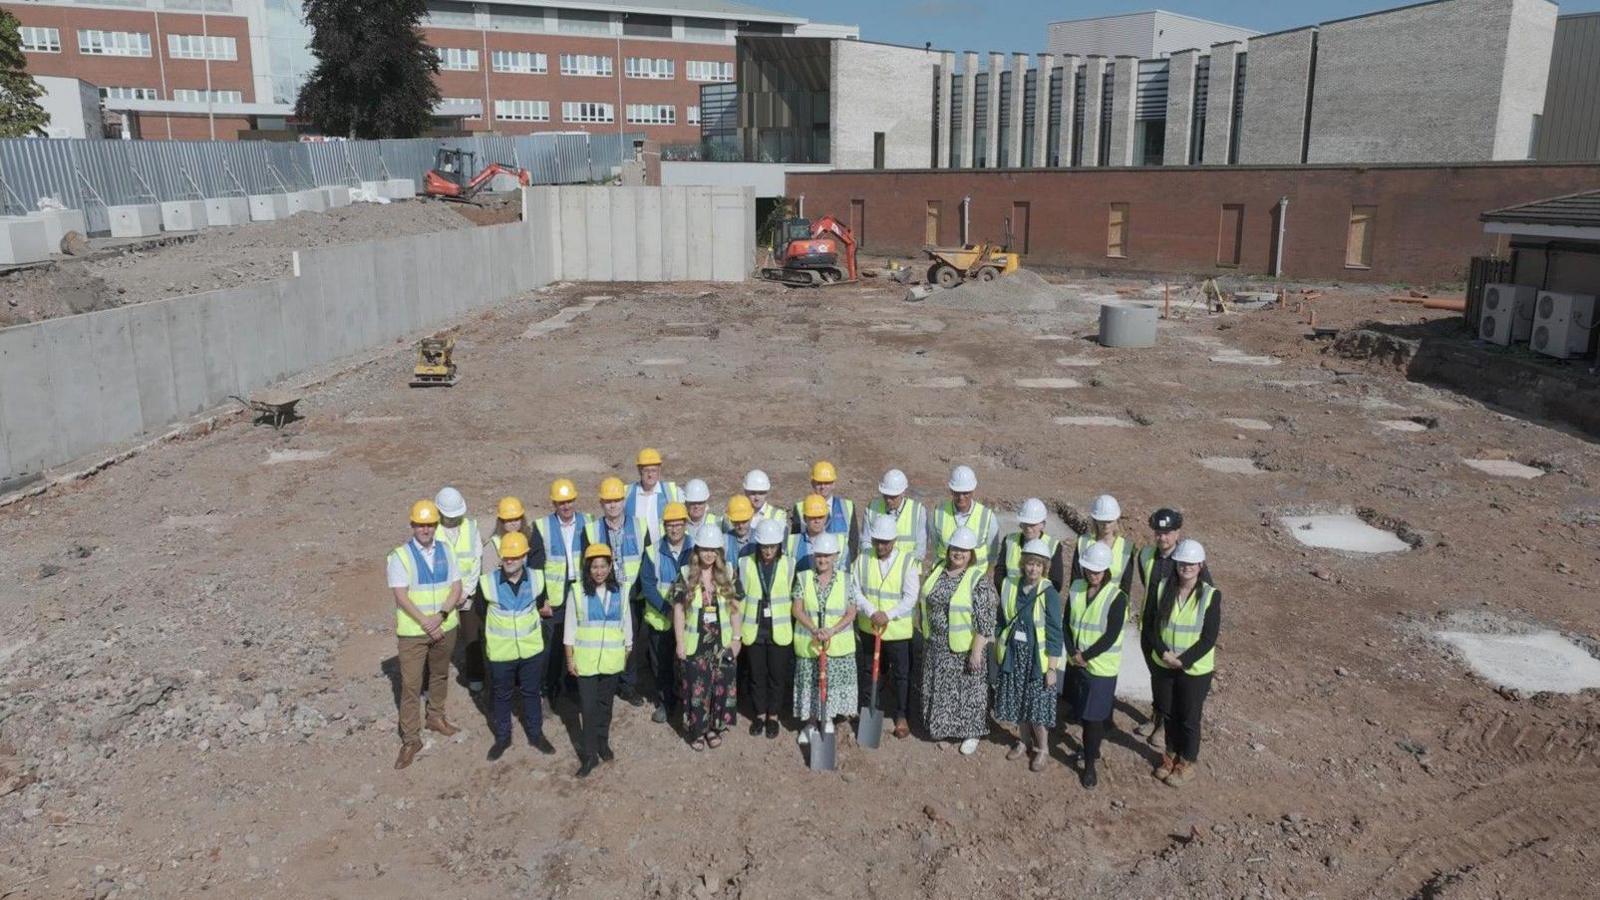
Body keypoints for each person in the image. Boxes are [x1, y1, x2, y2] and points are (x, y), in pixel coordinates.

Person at [386, 500, 463, 770]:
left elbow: (456, 586)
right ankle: (410, 739)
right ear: (413, 525)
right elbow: (400, 595)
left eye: (430, 524)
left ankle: (436, 717)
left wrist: (441, 616)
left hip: (444, 625)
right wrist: (425, 622)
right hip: (414, 632)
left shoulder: (446, 550)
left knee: (440, 675)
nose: (426, 529)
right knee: (410, 686)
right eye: (421, 524)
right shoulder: (401, 556)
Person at [1134, 507, 1211, 745]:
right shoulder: (1145, 555)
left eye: (1167, 532)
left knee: (1170, 680)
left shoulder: (1187, 559)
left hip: (1172, 633)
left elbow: (1204, 594)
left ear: (1177, 532)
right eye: (1158, 532)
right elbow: (1147, 584)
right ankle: (1157, 716)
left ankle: (1166, 726)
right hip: (1149, 629)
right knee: (1156, 676)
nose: (1162, 537)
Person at [917, 526, 997, 755]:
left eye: (964, 550)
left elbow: (985, 621)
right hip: (937, 645)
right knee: (942, 691)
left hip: (963, 649)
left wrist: (976, 652)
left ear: (971, 553)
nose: (958, 553)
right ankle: (945, 728)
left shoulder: (977, 580)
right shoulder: (937, 569)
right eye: (955, 548)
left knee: (968, 692)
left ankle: (971, 732)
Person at [1149, 539, 1220, 788]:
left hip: (1194, 670)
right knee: (1168, 713)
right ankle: (1169, 755)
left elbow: (1208, 637)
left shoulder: (1210, 595)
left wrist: (1182, 661)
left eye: (1191, 563)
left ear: (1200, 566)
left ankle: (1187, 762)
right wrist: (1165, 654)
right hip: (1165, 663)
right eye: (1182, 563)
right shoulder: (1161, 589)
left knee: (1189, 717)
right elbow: (1151, 627)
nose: (1186, 567)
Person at [479, 532, 556, 760]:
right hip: (502, 653)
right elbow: (481, 612)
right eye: (506, 557)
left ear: (524, 556)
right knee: (502, 696)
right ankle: (503, 738)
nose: (509, 561)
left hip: (531, 650)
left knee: (532, 693)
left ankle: (535, 734)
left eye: (514, 556)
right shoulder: (487, 583)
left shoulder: (537, 579)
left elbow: (541, 605)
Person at [993, 539, 1064, 773]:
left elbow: (1055, 632)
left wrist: (1052, 668)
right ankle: (1023, 741)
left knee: (1037, 709)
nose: (1033, 569)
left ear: (1045, 567)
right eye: (1030, 564)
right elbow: (1002, 619)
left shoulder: (1048, 593)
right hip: (1015, 656)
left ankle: (1043, 749)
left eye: (1038, 565)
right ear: (1023, 564)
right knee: (1018, 704)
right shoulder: (1010, 585)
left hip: (1037, 661)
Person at [1063, 541, 1129, 788]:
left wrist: (1085, 656)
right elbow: (1066, 622)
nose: (1093, 574)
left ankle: (1090, 765)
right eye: (1089, 570)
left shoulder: (1116, 597)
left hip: (1101, 668)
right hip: (1078, 662)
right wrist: (1072, 652)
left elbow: (1110, 635)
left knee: (1093, 719)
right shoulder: (1077, 588)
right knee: (1082, 713)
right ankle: (1092, 749)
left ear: (1106, 570)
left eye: (1097, 571)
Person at [566, 543, 633, 778]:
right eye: (594, 566)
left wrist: (626, 651)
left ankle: (603, 743)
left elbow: (627, 624)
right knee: (588, 707)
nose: (599, 571)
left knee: (606, 706)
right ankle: (589, 755)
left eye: (603, 566)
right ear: (588, 568)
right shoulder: (577, 591)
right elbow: (570, 628)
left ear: (610, 566)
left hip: (612, 659)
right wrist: (570, 659)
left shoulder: (621, 591)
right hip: (586, 661)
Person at [675, 523, 743, 750]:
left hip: (721, 643)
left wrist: (736, 638)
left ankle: (714, 728)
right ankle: (697, 731)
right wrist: (680, 643)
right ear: (697, 550)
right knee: (697, 688)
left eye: (713, 550)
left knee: (720, 686)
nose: (709, 554)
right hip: (696, 644)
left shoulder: (728, 573)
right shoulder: (686, 575)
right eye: (705, 549)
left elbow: (735, 608)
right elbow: (678, 611)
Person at [852, 515, 920, 740]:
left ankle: (901, 715)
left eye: (885, 542)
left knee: (901, 674)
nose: (880, 546)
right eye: (877, 541)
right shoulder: (862, 560)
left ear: (894, 540)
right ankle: (871, 712)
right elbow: (855, 589)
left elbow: (911, 597)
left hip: (897, 631)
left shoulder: (907, 562)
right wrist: (872, 611)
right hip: (870, 628)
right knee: (871, 672)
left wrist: (887, 615)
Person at [791, 533, 858, 748]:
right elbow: (797, 608)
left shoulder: (846, 580)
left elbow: (851, 612)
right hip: (811, 645)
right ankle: (811, 723)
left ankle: (826, 719)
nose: (822, 560)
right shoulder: (803, 578)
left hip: (835, 645)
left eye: (827, 556)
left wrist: (832, 631)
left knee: (830, 685)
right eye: (819, 556)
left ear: (835, 556)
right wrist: (813, 629)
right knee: (811, 684)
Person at [588, 476, 647, 707]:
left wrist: (637, 592)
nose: (612, 505)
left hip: (632, 595)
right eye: (607, 501)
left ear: (624, 501)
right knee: (606, 638)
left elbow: (647, 561)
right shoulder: (592, 530)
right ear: (601, 503)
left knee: (630, 642)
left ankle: (627, 685)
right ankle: (606, 680)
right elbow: (589, 565)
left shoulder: (639, 525)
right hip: (606, 593)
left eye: (616, 500)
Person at [535, 479, 590, 707]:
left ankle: (573, 685)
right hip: (555, 596)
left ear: (574, 500)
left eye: (569, 501)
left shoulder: (588, 522)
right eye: (561, 503)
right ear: (554, 504)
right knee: (553, 645)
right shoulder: (542, 526)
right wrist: (541, 598)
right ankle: (549, 689)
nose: (566, 507)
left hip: (579, 591)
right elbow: (536, 565)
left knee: (577, 640)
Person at [738, 520, 795, 738]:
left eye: (772, 546)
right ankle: (760, 714)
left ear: (779, 545)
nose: (768, 551)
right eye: (764, 546)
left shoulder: (789, 565)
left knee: (777, 676)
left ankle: (774, 716)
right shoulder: (744, 563)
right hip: (754, 628)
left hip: (779, 629)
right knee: (757, 675)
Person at [639, 502, 692, 724]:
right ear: (664, 526)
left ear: (685, 525)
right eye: (670, 525)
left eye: (678, 525)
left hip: (689, 620)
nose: (674, 529)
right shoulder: (652, 551)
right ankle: (665, 702)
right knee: (660, 664)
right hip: (660, 619)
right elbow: (648, 584)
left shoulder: (696, 548)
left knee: (687, 663)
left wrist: (683, 612)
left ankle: (688, 701)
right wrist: (668, 610)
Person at [434, 487, 485, 694]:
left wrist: (466, 592)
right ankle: (435, 681)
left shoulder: (471, 528)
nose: (453, 520)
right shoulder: (433, 531)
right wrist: (449, 598)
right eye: (448, 517)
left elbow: (476, 561)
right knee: (439, 640)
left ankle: (476, 676)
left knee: (472, 637)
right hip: (443, 597)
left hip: (467, 595)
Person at [928, 466, 1000, 577]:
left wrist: (985, 576)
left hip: (975, 578)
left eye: (965, 493)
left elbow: (993, 554)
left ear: (973, 490)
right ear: (951, 490)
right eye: (957, 492)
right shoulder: (938, 513)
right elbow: (935, 546)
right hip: (945, 576)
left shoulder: (987, 517)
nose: (961, 497)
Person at [993, 498, 1065, 591]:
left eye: (1033, 524)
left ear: (1042, 524)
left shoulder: (1053, 545)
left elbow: (1056, 582)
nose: (1028, 528)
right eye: (1025, 523)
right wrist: (1008, 596)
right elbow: (999, 574)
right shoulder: (1009, 541)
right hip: (1010, 600)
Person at [1071, 494, 1135, 596]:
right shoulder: (1083, 543)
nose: (1106, 526)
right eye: (1102, 521)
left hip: (1112, 604)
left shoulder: (1126, 548)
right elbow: (1075, 580)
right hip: (1085, 601)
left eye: (1110, 521)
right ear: (1095, 520)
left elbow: (1126, 586)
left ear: (1116, 520)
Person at [861, 468, 926, 567]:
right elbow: (865, 543)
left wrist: (896, 565)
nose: (888, 500)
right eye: (885, 495)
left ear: (903, 493)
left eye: (893, 497)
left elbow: (920, 550)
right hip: (877, 568)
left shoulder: (918, 511)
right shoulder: (871, 509)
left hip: (908, 572)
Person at [626, 447, 683, 544]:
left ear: (659, 470)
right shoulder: (626, 493)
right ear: (639, 470)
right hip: (637, 552)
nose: (650, 475)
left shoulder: (674, 492)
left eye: (653, 470)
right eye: (646, 471)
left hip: (664, 551)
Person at [793, 461, 855, 548]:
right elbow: (795, 543)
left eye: (827, 483)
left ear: (834, 484)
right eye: (819, 483)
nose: (823, 487)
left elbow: (853, 543)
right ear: (812, 483)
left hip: (841, 559)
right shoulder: (800, 508)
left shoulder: (848, 507)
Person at [789, 493, 849, 572]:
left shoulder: (840, 541)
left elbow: (845, 574)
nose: (817, 521)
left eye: (820, 517)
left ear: (826, 517)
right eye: (812, 517)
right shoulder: (791, 542)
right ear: (804, 518)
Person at [723, 495, 757, 562]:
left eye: (744, 521)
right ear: (731, 521)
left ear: (751, 518)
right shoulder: (724, 540)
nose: (740, 526)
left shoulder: (759, 538)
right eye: (736, 522)